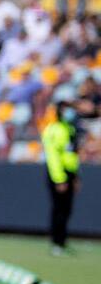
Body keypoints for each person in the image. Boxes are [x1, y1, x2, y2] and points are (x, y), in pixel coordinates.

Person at [42, 101, 81, 255]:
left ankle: (63, 241)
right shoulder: (53, 130)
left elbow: (72, 155)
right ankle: (56, 242)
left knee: (67, 209)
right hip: (58, 174)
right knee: (58, 209)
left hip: (70, 173)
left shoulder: (69, 129)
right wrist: (59, 179)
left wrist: (76, 176)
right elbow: (53, 157)